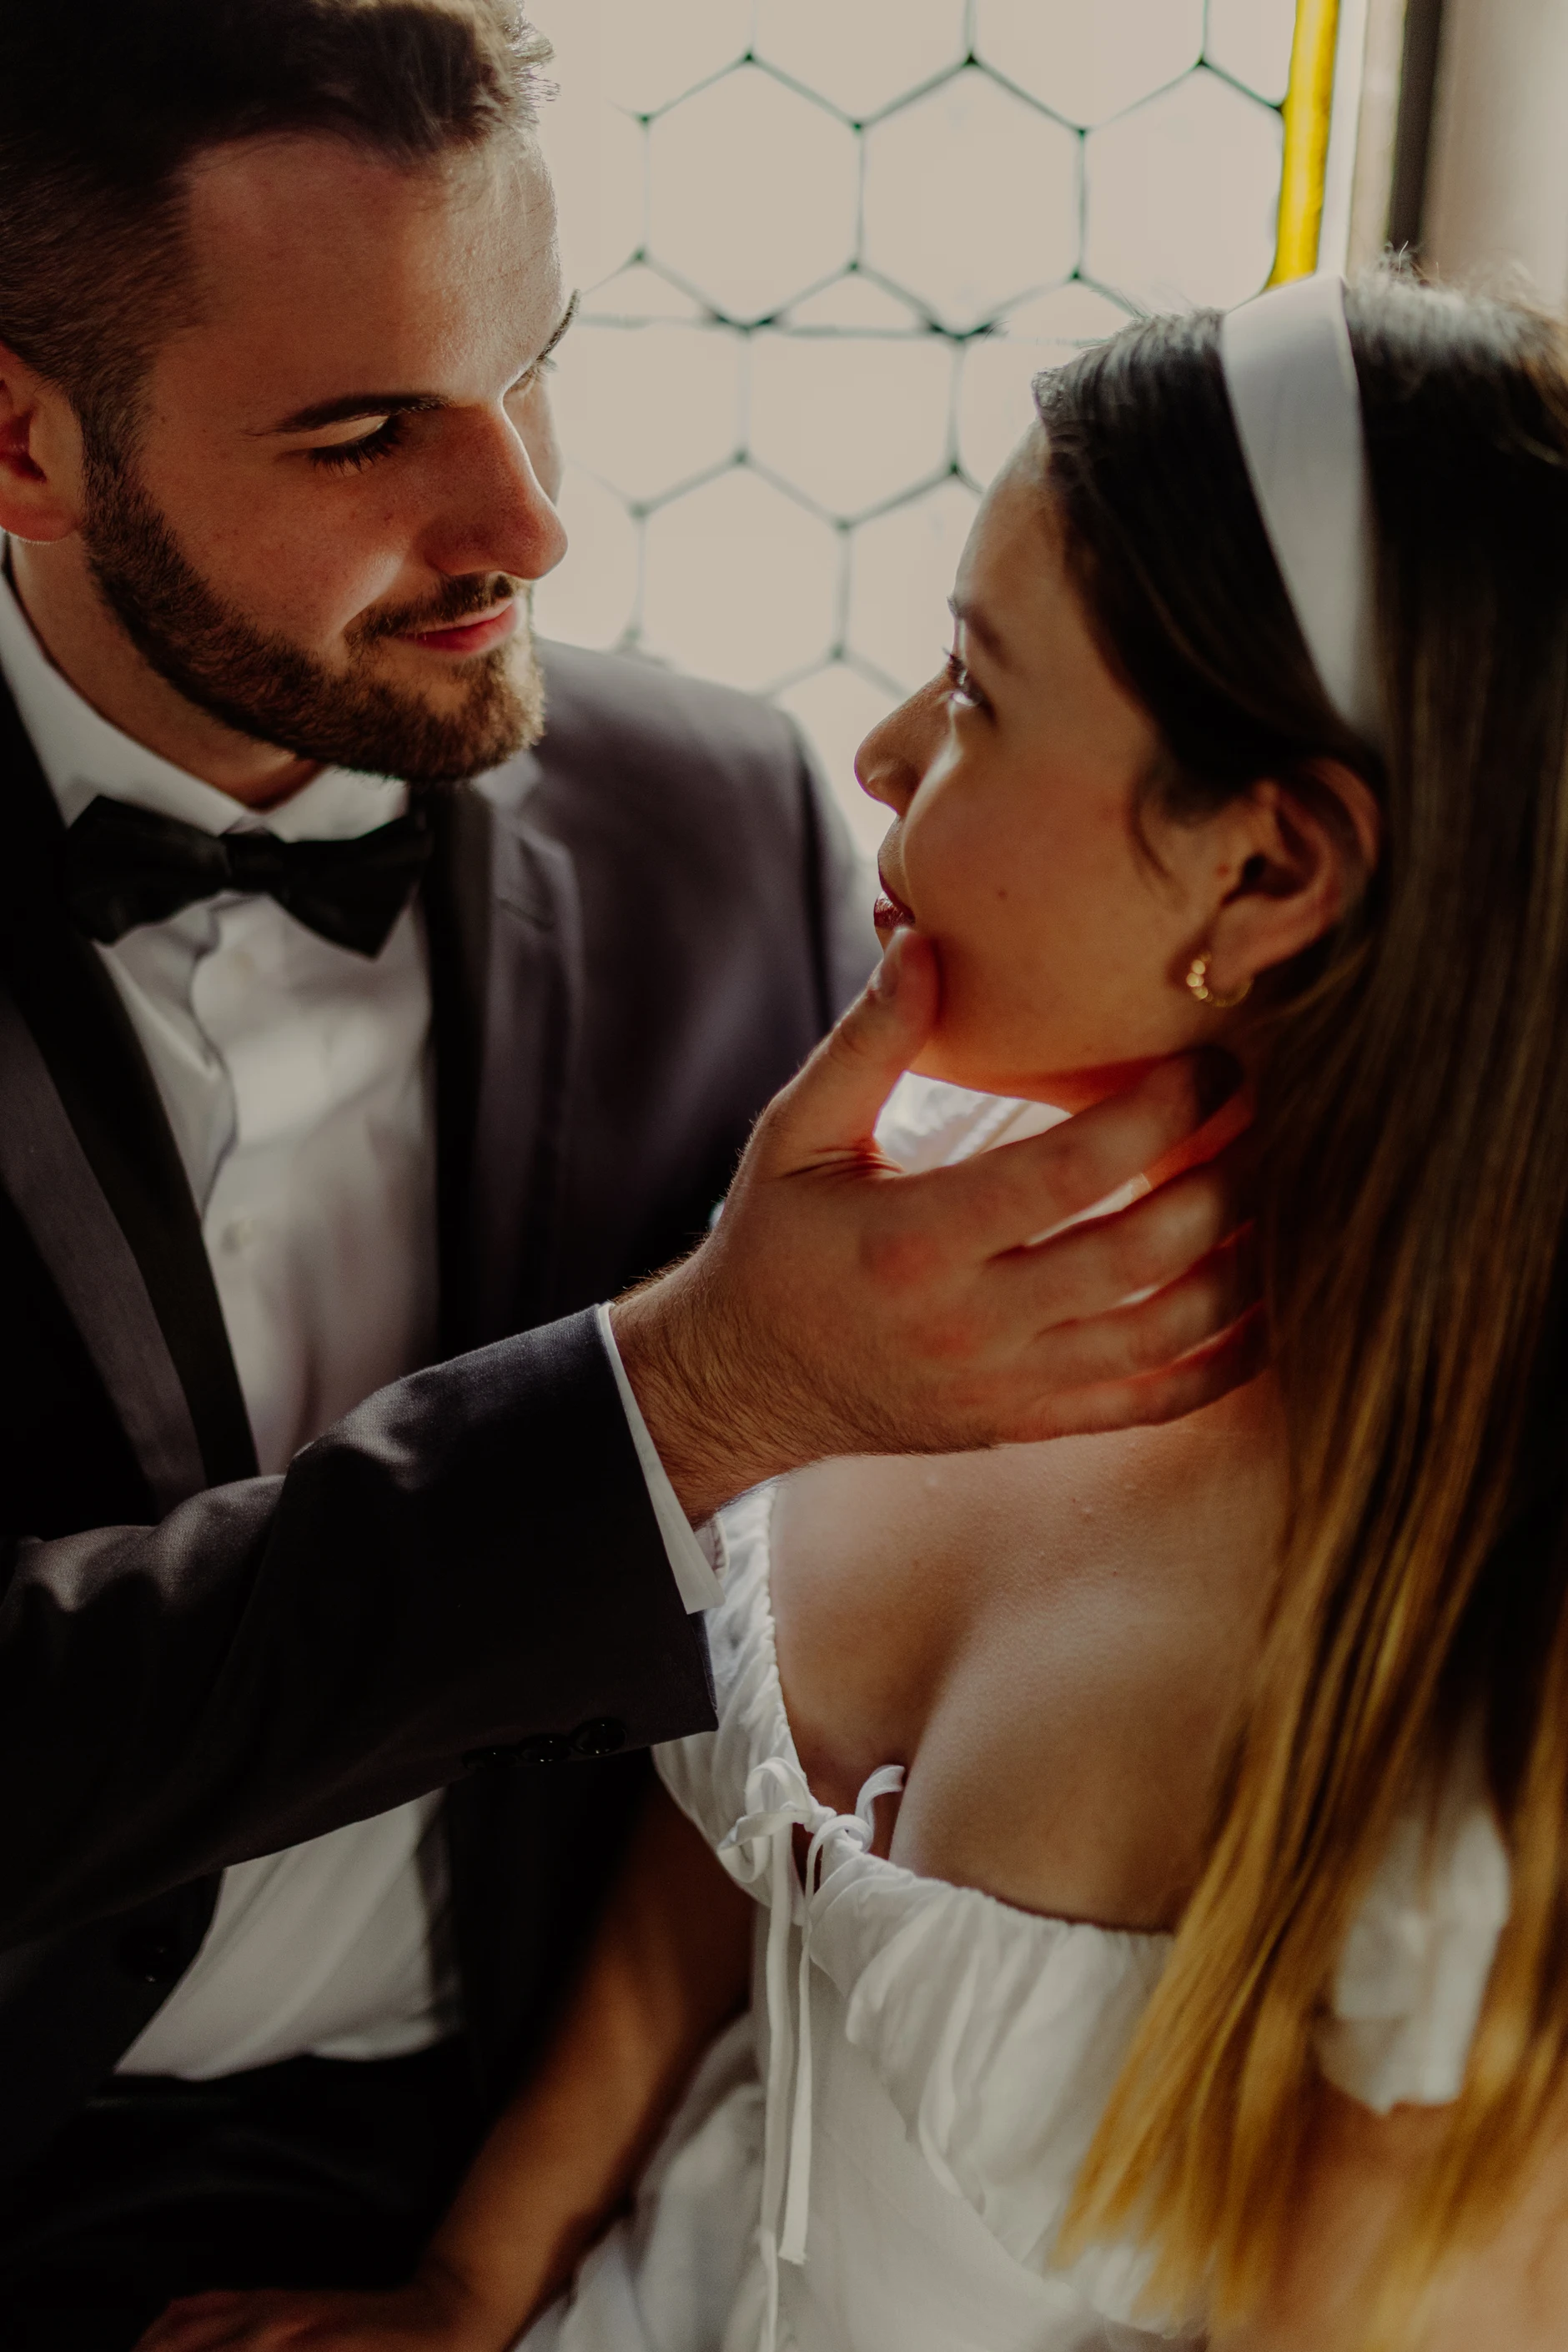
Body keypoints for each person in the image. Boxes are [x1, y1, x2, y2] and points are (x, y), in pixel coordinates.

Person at [150, 266, 1568, 2352]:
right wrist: (471, 2283)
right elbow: (732, 1859)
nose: (885, 756)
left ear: (1268, 874)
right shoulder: (916, 1241)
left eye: (979, 695)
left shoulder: (1481, 1663)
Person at [0, 2, 1255, 2343]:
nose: (531, 524)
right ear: (27, 443)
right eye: (367, 430)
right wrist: (676, 1401)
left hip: (542, 2180)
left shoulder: (726, 820)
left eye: (533, 370)